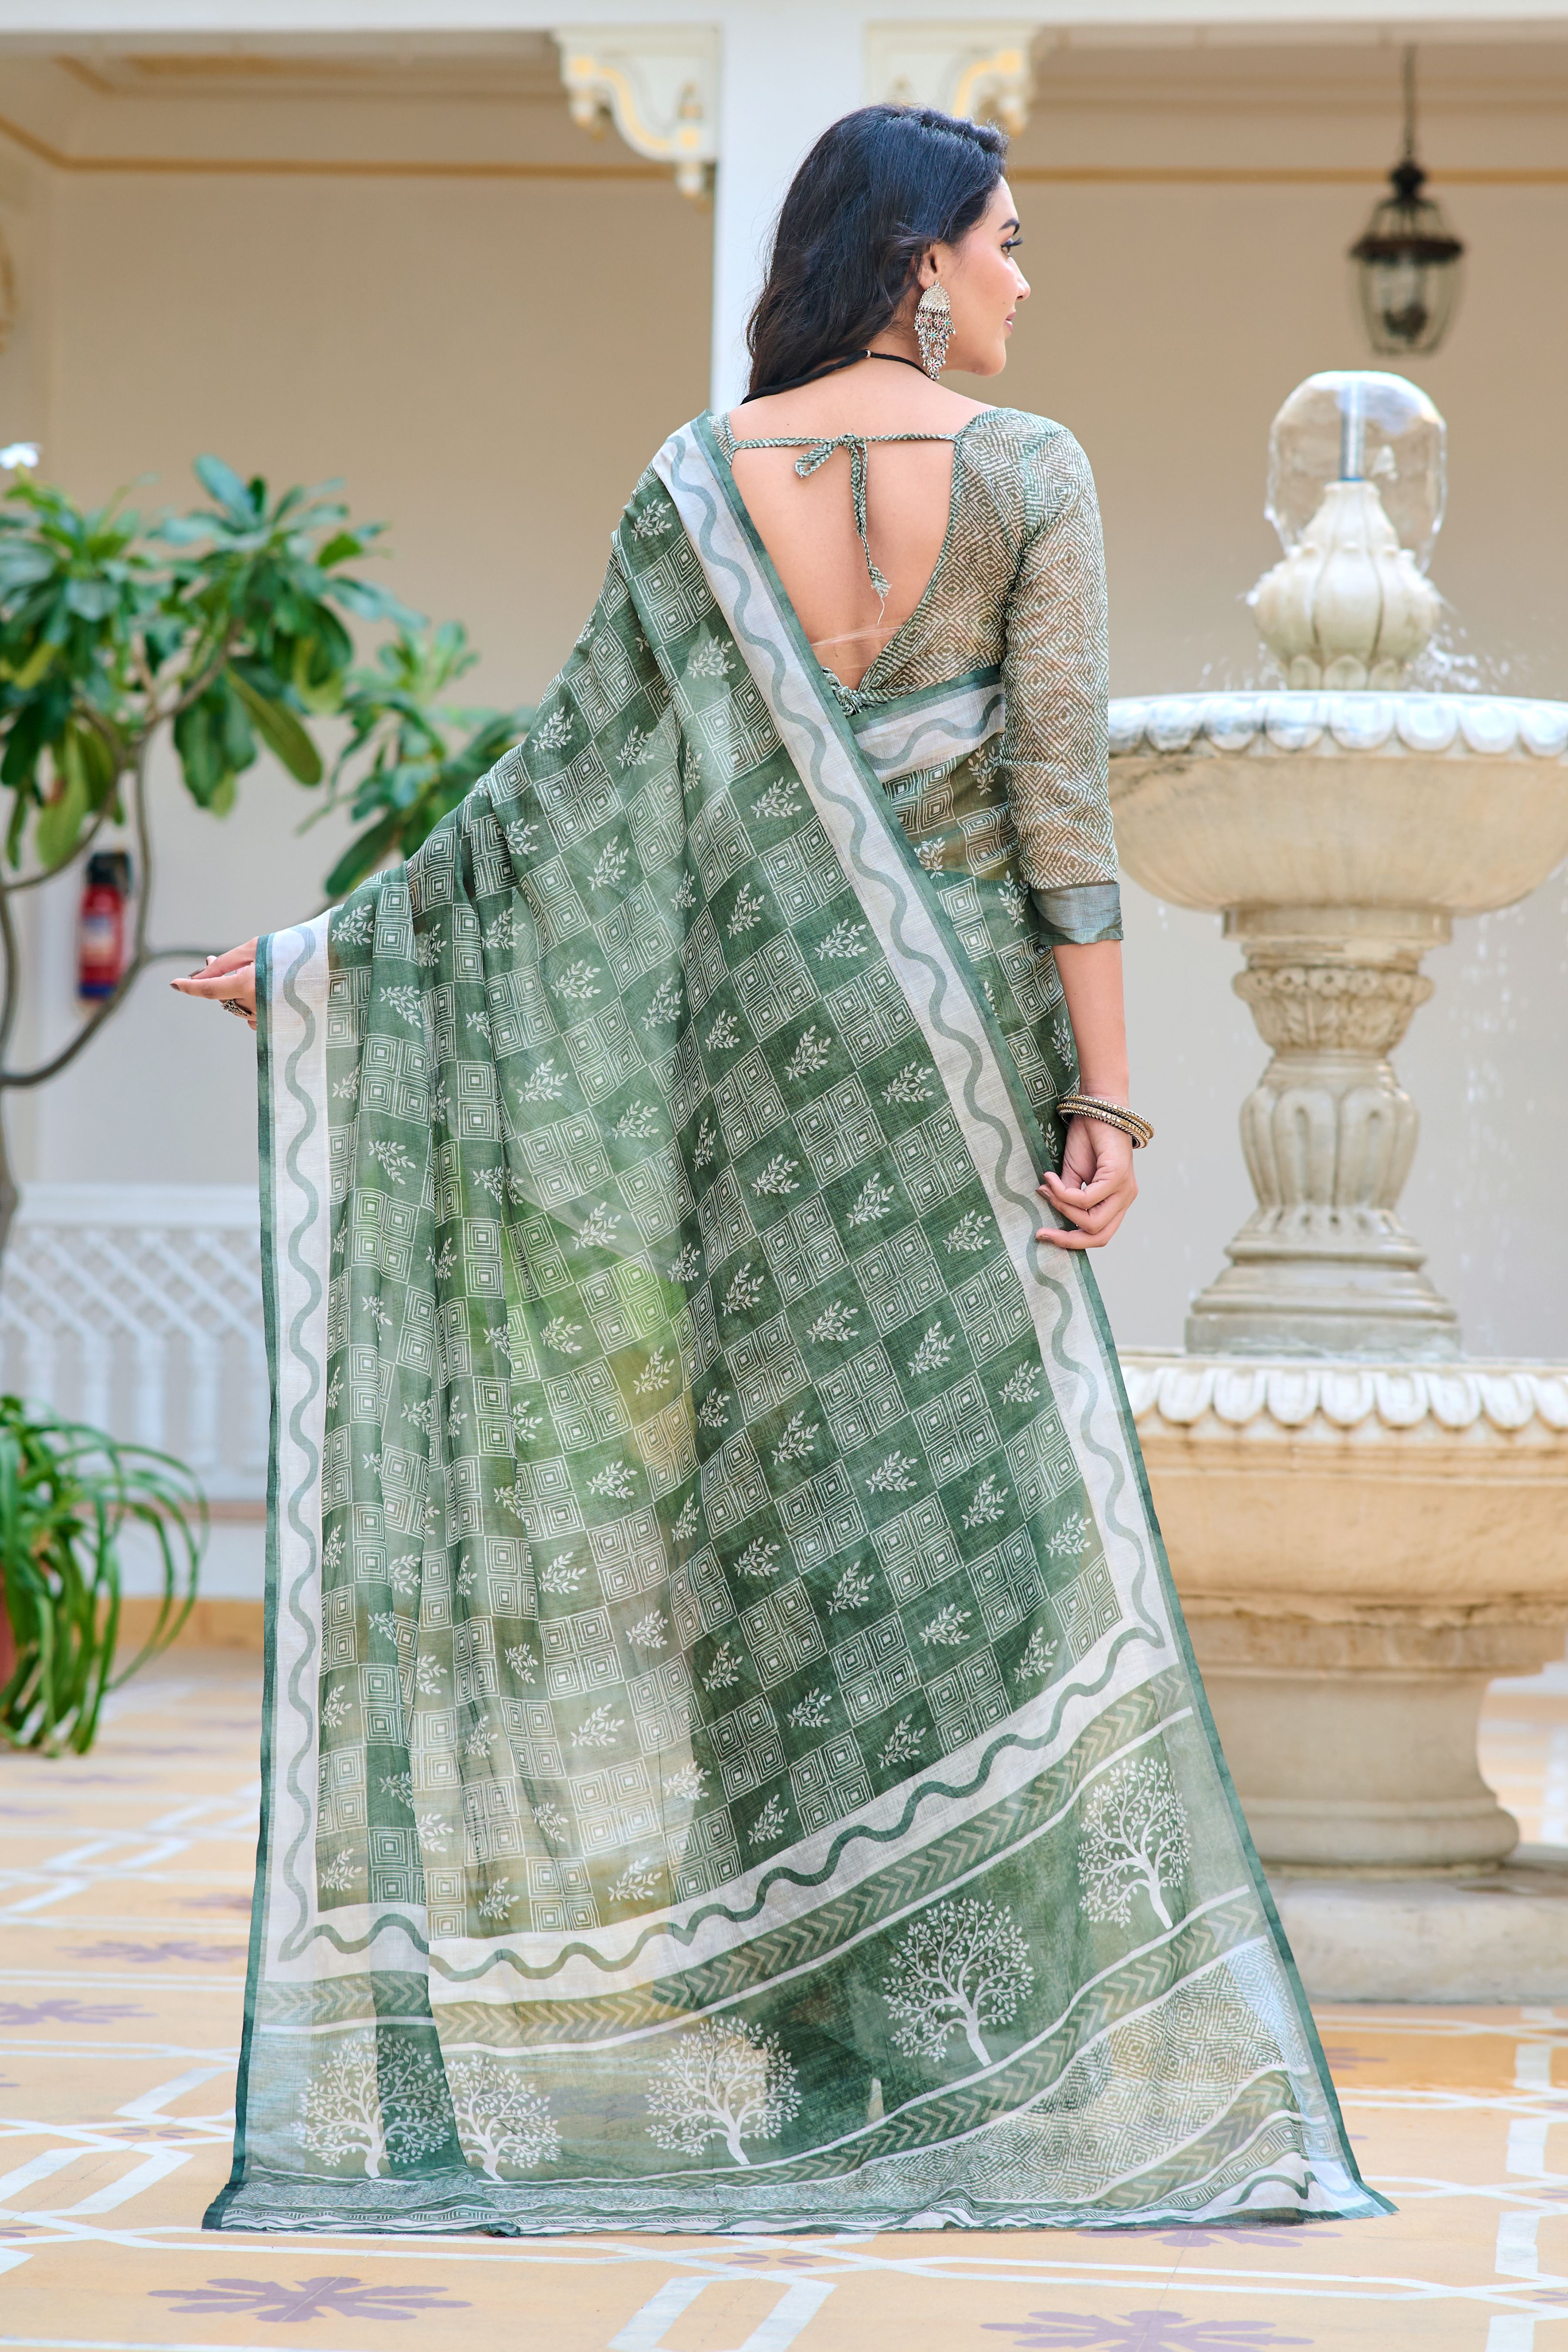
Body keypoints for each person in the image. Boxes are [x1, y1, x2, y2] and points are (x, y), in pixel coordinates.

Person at [182, 105, 1386, 2237]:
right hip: (960, 1059)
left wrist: (330, 958)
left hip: (760, 1068)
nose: (1025, 280)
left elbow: (554, 794)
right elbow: (1061, 812)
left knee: (774, 1509)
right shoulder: (1031, 475)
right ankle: (974, 2035)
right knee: (972, 1524)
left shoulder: (696, 478)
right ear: (921, 259)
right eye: (1008, 243)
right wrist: (1109, 1105)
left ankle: (821, 2032)